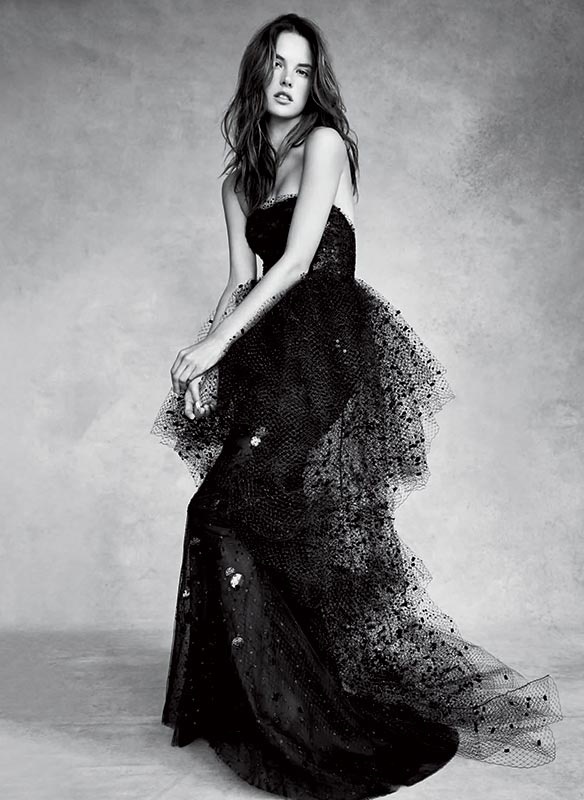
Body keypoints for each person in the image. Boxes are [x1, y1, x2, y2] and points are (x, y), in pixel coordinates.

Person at [150, 13, 562, 800]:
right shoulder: (237, 180)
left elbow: (297, 262)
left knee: (227, 507)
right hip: (266, 348)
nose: (286, 80)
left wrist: (215, 346)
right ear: (256, 72)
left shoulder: (326, 143)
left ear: (316, 82)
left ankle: (302, 719)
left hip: (320, 347)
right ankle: (264, 697)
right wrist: (205, 350)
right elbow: (241, 281)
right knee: (255, 514)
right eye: (275, 65)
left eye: (301, 69)